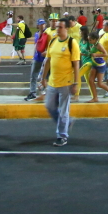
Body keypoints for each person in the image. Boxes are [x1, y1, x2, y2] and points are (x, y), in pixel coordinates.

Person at [41, 17, 80, 147]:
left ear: (67, 28)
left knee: (63, 111)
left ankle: (62, 136)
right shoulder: (53, 41)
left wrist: (75, 83)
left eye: (60, 27)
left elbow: (76, 65)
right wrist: (43, 77)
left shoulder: (72, 43)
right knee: (49, 106)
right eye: (57, 26)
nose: (57, 29)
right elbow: (48, 60)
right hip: (52, 82)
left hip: (66, 83)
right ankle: (67, 122)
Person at [85, 26, 108, 102]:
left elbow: (105, 54)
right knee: (91, 80)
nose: (89, 41)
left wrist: (96, 55)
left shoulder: (99, 45)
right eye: (89, 40)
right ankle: (95, 97)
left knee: (99, 83)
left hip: (100, 65)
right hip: (94, 64)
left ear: (95, 39)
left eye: (90, 40)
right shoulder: (93, 44)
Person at [25, 19, 49, 101]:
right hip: (37, 57)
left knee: (44, 77)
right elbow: (36, 45)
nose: (42, 26)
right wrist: (33, 56)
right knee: (33, 76)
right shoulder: (36, 34)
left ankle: (44, 93)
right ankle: (33, 92)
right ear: (38, 25)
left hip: (45, 58)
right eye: (40, 24)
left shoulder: (47, 33)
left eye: (43, 24)